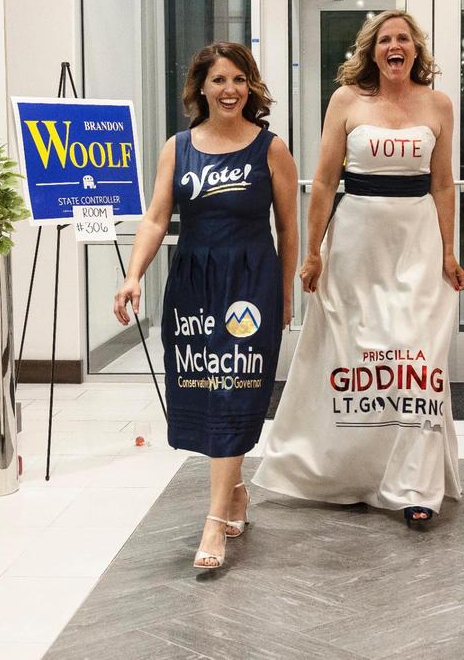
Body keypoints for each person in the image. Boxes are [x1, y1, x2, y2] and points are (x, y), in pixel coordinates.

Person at [253, 10, 464, 525]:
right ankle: (349, 471)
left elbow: (442, 184)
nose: (396, 46)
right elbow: (325, 181)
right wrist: (312, 251)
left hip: (415, 241)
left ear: (416, 50)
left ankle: (414, 484)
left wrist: (448, 251)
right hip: (355, 242)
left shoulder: (439, 104)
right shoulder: (346, 101)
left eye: (405, 39)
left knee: (417, 359)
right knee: (355, 355)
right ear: (372, 50)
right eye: (386, 39)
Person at [113, 42, 298, 569]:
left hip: (250, 285)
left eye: (239, 79)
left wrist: (284, 291)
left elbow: (288, 227)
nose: (230, 90)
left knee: (235, 388)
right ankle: (234, 490)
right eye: (219, 80)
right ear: (200, 87)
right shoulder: (178, 147)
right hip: (193, 284)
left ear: (251, 87)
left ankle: (214, 520)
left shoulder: (270, 149)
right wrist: (133, 276)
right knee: (204, 390)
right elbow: (155, 218)